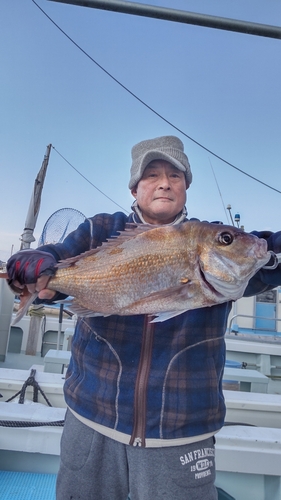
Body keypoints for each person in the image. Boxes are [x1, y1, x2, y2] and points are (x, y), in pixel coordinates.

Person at [6, 136, 281, 500]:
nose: (164, 182)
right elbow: (56, 258)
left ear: (185, 187)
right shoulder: (100, 229)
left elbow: (265, 247)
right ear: (134, 188)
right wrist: (36, 265)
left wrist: (265, 253)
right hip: (90, 421)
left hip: (182, 432)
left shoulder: (211, 237)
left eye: (175, 175)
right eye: (152, 175)